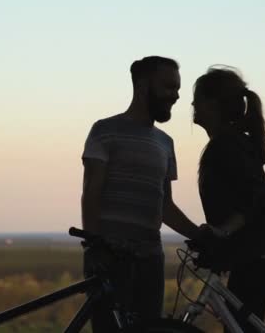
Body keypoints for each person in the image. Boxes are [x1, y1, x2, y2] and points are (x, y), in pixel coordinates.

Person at [81, 56, 200, 331]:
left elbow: (165, 206)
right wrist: (95, 246)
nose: (176, 96)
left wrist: (199, 235)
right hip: (109, 258)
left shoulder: (165, 142)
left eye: (178, 89)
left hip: (150, 259)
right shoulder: (104, 130)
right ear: (143, 86)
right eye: (169, 87)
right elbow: (91, 192)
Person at [191, 66, 265, 332]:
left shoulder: (225, 145)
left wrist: (221, 232)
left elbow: (253, 199)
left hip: (257, 261)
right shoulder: (233, 142)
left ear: (211, 105)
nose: (191, 104)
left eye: (196, 98)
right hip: (259, 258)